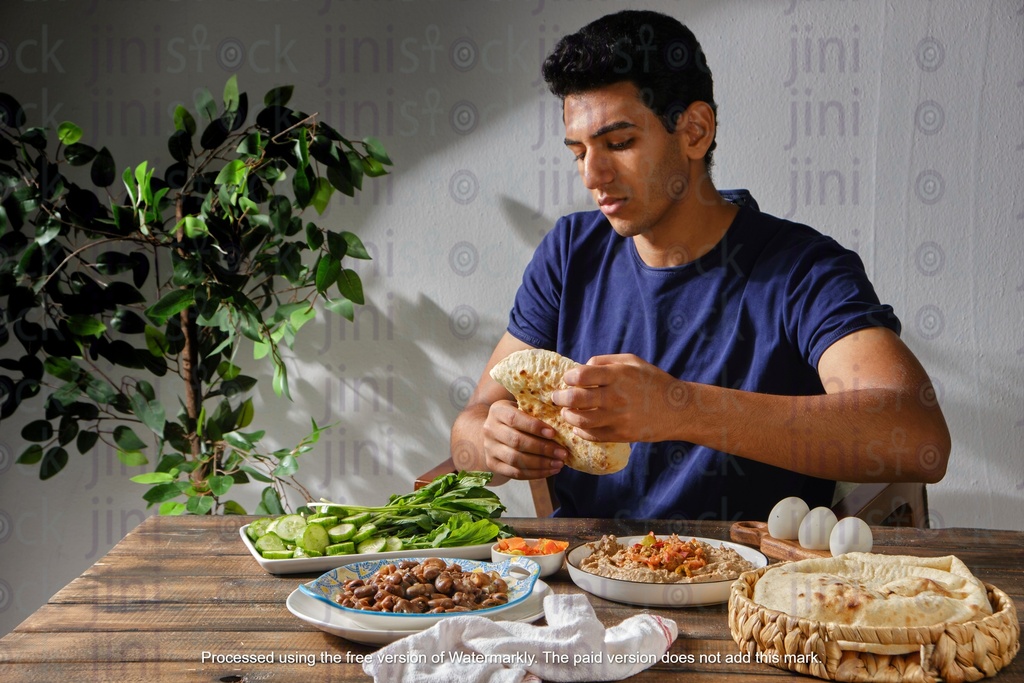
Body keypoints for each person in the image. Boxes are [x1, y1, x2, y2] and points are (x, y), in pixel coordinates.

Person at [450, 9, 950, 520]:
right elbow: (468, 431)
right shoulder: (568, 253)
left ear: (694, 131)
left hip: (746, 585)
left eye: (619, 144)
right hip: (584, 582)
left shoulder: (801, 269)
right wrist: (495, 442)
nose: (593, 175)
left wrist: (680, 407)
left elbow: (916, 436)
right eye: (578, 152)